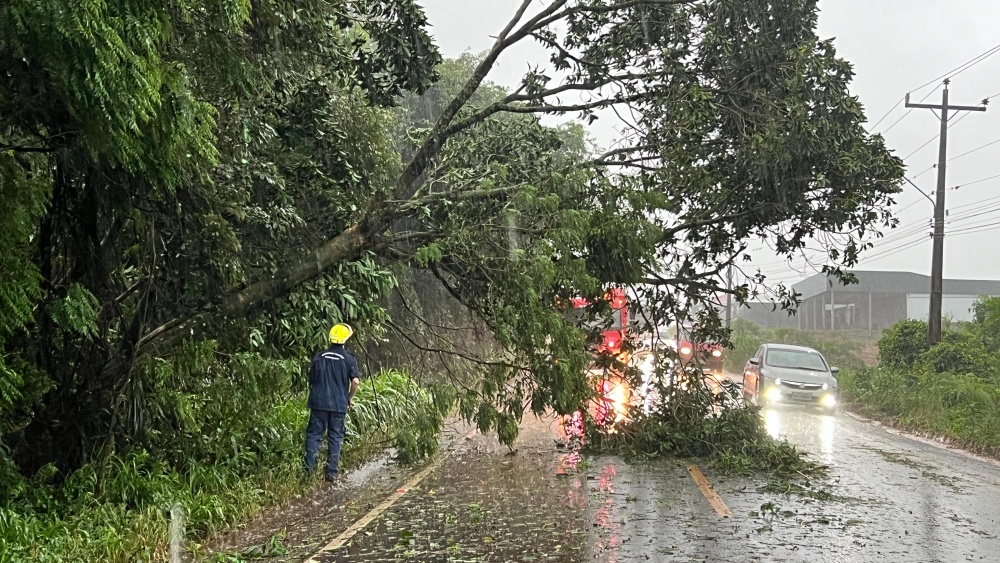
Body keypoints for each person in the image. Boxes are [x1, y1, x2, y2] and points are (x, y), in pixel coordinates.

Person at [304, 323, 361, 481]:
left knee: (314, 435)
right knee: (335, 437)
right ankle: (331, 473)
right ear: (346, 339)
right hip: (338, 404)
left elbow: (312, 379)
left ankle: (308, 473)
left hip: (318, 402)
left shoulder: (319, 356)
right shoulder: (349, 359)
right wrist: (348, 398)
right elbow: (355, 382)